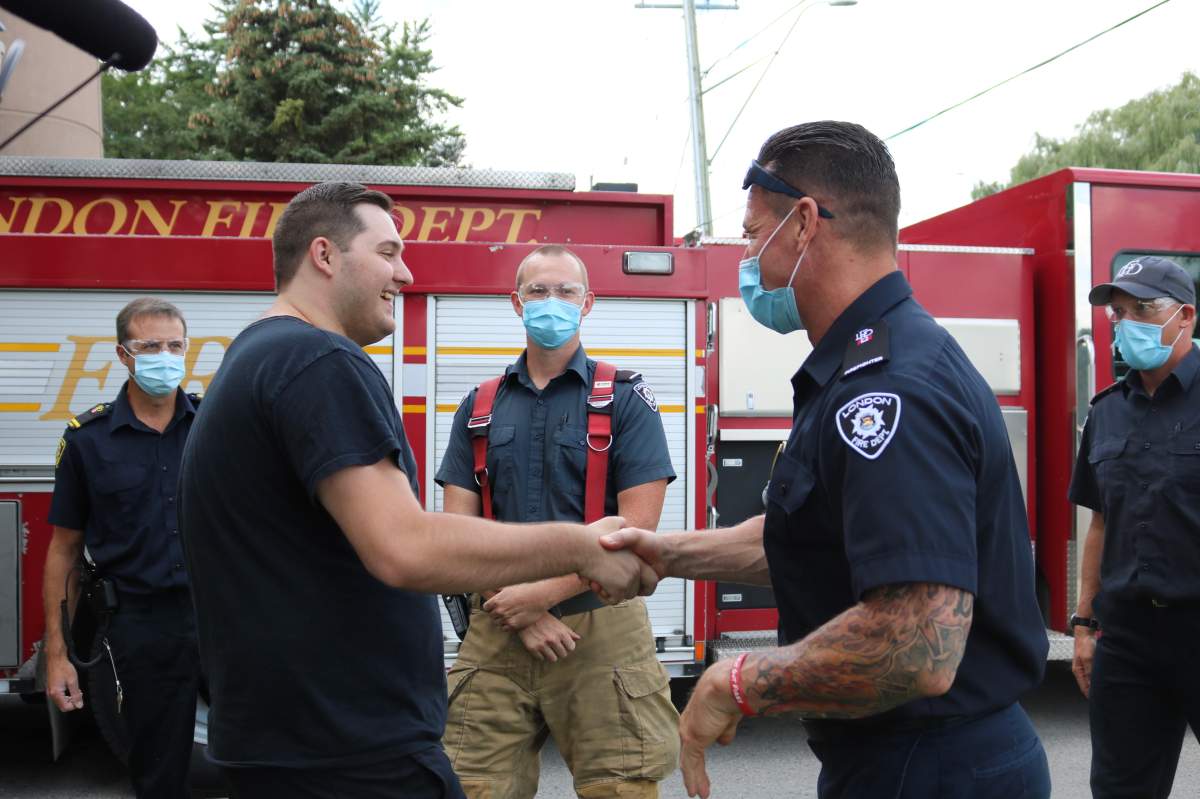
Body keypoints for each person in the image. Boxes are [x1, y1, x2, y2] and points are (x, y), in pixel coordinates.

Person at [600, 121, 1051, 799]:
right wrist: (667, 552)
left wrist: (741, 679)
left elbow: (916, 643)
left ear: (805, 223)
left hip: (930, 766)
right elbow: (815, 536)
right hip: (905, 762)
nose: (746, 259)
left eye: (753, 235)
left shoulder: (888, 389)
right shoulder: (860, 366)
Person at [178, 182, 654, 799]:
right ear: (324, 255)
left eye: (566, 290)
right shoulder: (320, 362)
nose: (406, 273)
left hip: (296, 739)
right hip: (346, 748)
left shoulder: (259, 355)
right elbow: (409, 545)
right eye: (388, 252)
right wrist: (580, 547)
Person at [435, 245, 680, 799]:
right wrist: (520, 612)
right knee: (472, 787)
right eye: (538, 291)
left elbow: (637, 532)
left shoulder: (626, 399)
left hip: (600, 627)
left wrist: (540, 597)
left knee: (621, 785)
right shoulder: (478, 406)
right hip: (499, 625)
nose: (552, 303)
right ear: (516, 304)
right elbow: (457, 537)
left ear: (587, 303)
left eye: (566, 291)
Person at [43, 297, 201, 798]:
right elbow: (64, 550)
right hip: (141, 624)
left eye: (174, 345)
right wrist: (57, 652)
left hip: (226, 615)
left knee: (266, 756)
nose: (165, 356)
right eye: (150, 345)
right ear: (123, 355)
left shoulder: (217, 427)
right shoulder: (88, 440)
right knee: (157, 769)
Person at [1069, 255, 1200, 799]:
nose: (1125, 323)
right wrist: (1082, 622)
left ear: (1185, 317)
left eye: (1142, 309)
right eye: (1118, 313)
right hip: (1127, 642)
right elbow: (1099, 521)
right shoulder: (1107, 412)